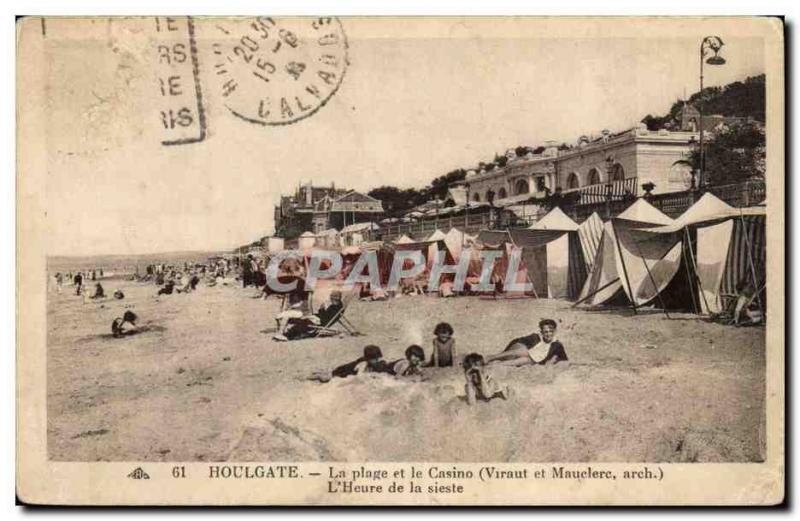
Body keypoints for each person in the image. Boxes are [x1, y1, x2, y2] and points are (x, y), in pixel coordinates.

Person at [486, 319, 568, 366]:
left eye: (551, 331)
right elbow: (517, 341)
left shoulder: (557, 345)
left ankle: (495, 365)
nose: (548, 334)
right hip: (518, 352)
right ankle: (491, 357)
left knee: (524, 360)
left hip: (533, 360)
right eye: (546, 332)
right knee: (523, 351)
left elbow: (564, 359)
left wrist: (553, 360)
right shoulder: (535, 337)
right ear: (542, 332)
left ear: (555, 331)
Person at [273, 290, 344, 341]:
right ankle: (284, 333)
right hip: (317, 318)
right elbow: (324, 314)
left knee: (303, 322)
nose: (330, 298)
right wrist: (322, 309)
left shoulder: (336, 307)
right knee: (299, 320)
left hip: (319, 321)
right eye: (331, 296)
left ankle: (288, 335)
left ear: (336, 298)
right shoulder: (335, 306)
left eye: (332, 296)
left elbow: (325, 318)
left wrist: (322, 310)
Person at [308, 345, 392, 382]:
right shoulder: (362, 364)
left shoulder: (380, 363)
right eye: (374, 359)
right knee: (328, 376)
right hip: (344, 371)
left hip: (347, 368)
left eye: (377, 358)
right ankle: (316, 375)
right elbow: (359, 374)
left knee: (333, 372)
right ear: (368, 359)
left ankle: (321, 372)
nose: (376, 360)